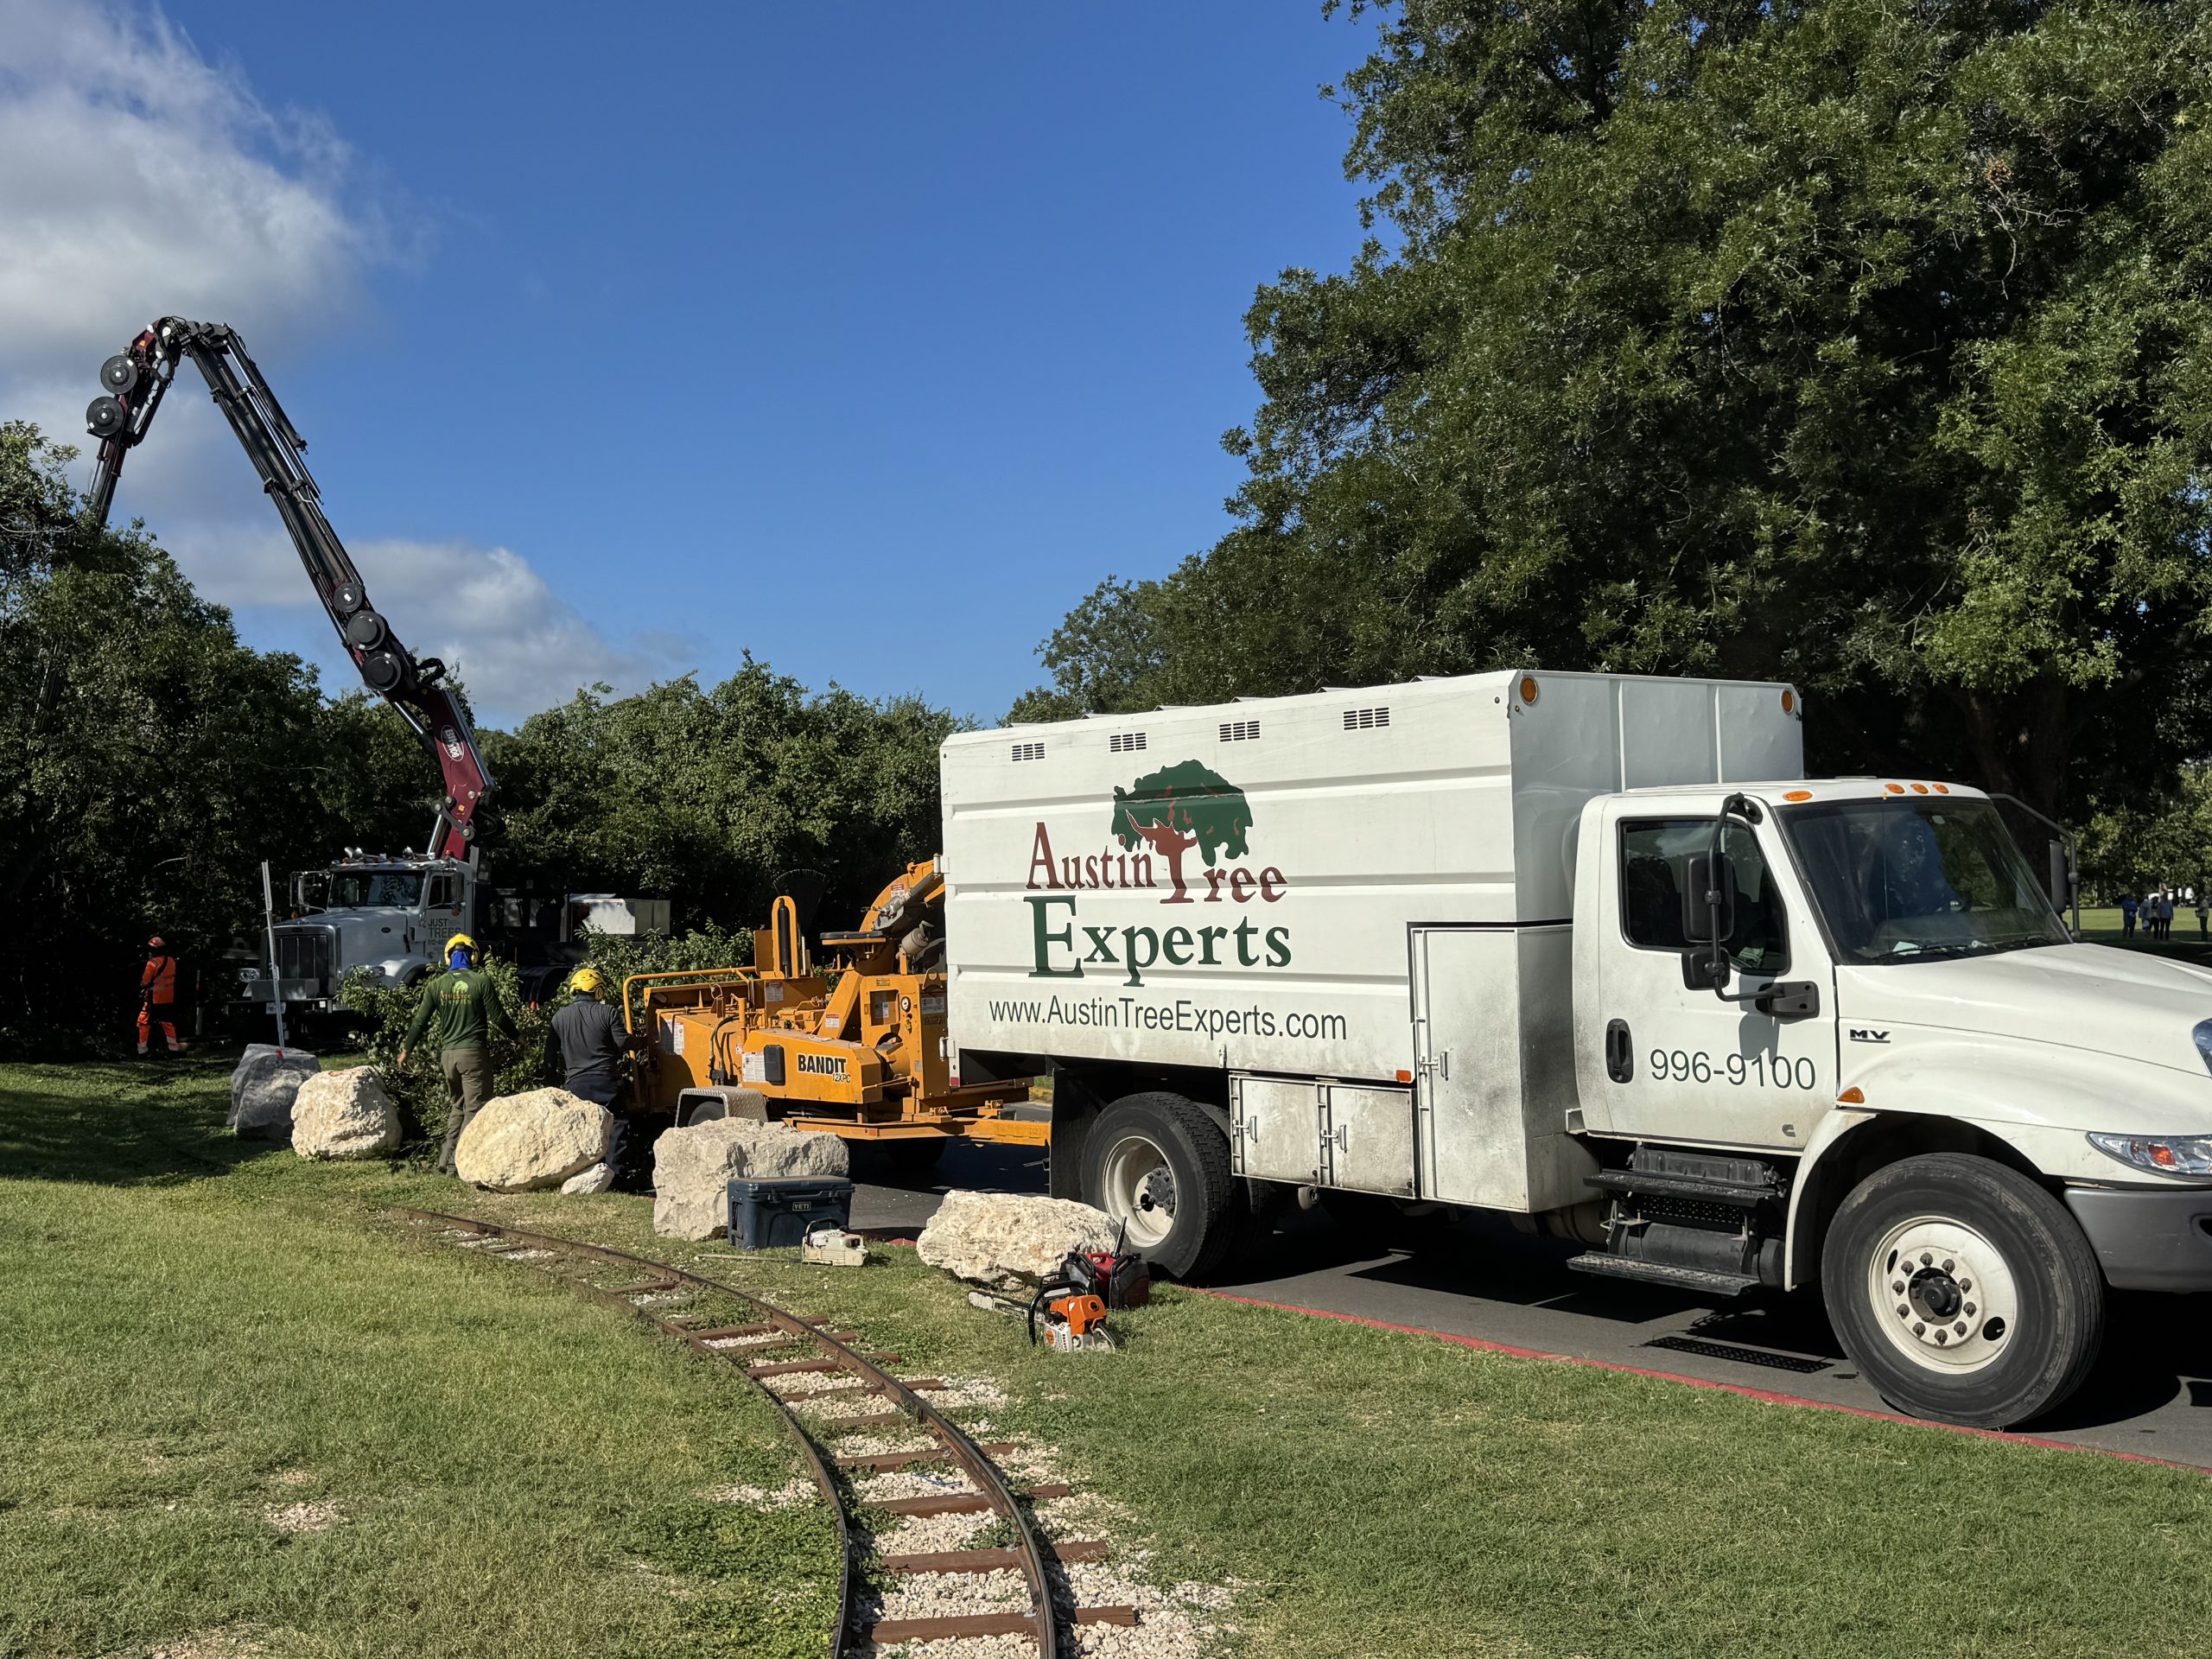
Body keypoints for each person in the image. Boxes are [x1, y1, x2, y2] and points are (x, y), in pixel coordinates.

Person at [397, 934, 513, 1174]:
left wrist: (406, 1049)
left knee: (458, 1106)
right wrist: (519, 1037)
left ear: (448, 957)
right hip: (473, 1054)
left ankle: (445, 1159)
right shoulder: (481, 981)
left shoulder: (435, 985)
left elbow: (420, 1021)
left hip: (447, 1056)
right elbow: (499, 1017)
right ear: (474, 956)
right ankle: (457, 1165)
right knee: (475, 1109)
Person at [548, 966, 651, 1181]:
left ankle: (579, 1175)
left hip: (575, 1084)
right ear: (598, 991)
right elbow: (623, 1042)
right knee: (616, 1124)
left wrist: (554, 1082)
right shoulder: (608, 1012)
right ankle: (615, 1175)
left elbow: (549, 1055)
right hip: (606, 1080)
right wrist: (642, 1042)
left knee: (580, 1129)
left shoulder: (559, 1017)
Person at [137, 936, 181, 1056]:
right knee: (167, 1023)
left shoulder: (152, 963)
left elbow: (145, 982)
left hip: (153, 999)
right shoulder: (172, 961)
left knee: (144, 1023)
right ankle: (173, 1049)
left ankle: (143, 1050)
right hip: (168, 999)